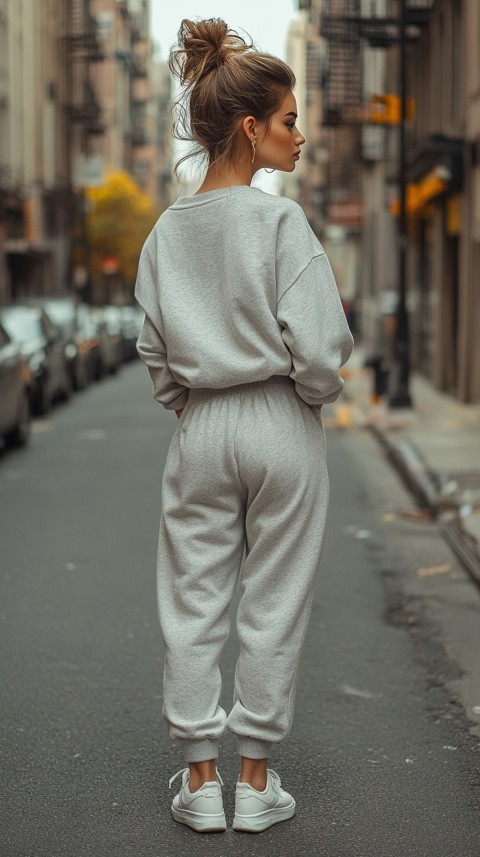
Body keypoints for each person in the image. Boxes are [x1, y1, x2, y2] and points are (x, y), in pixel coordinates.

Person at [134, 17, 354, 835]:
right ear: (252, 128)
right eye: (291, 120)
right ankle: (254, 781)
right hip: (280, 415)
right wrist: (307, 392)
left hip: (201, 422)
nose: (302, 136)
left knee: (191, 596)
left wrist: (191, 402)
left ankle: (198, 778)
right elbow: (323, 348)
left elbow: (154, 352)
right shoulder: (280, 224)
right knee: (274, 598)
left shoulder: (164, 234)